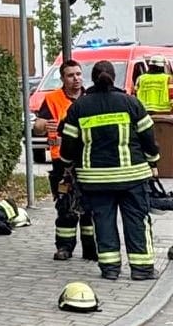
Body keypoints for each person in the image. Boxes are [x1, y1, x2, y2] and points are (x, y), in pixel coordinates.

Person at [59, 59, 161, 280]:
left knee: (103, 221)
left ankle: (110, 269)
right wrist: (153, 161)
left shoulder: (79, 107)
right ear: (113, 77)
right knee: (136, 220)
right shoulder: (131, 103)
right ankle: (142, 269)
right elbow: (149, 139)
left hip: (95, 180)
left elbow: (67, 146)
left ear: (91, 78)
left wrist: (68, 165)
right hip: (133, 177)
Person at [33, 59, 95, 261]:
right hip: (62, 160)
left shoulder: (90, 97)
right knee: (65, 206)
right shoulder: (53, 99)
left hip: (88, 160)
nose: (76, 79)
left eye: (78, 74)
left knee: (90, 208)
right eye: (71, 75)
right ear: (62, 78)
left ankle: (91, 249)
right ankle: (64, 247)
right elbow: (39, 126)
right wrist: (44, 125)